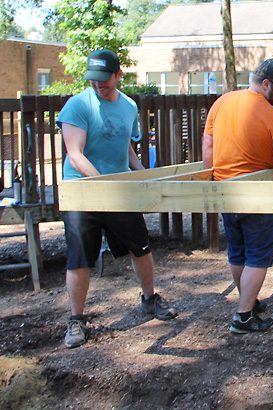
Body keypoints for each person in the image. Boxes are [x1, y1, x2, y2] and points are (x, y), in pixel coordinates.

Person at [57, 49, 177, 349]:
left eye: (104, 80)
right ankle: (76, 320)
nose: (99, 85)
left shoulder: (128, 106)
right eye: (93, 80)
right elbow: (75, 153)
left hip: (118, 190)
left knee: (140, 246)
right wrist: (104, 184)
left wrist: (142, 174)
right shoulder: (78, 106)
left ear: (118, 75)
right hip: (82, 192)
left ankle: (150, 300)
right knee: (79, 257)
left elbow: (126, 149)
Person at [202, 58, 273, 334]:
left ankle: (250, 301)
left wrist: (211, 180)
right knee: (257, 255)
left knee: (238, 251)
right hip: (259, 196)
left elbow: (208, 144)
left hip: (226, 192)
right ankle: (243, 316)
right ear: (266, 84)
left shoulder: (221, 103)